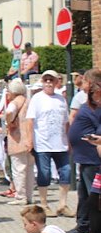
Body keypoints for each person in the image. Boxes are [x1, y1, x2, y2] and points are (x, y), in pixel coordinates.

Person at [26, 70, 73, 218]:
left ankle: (62, 204)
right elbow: (30, 121)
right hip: (43, 143)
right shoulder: (37, 99)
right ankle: (44, 204)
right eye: (46, 80)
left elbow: (66, 122)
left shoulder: (61, 99)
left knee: (66, 172)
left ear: (56, 82)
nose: (48, 82)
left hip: (60, 143)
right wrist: (30, 140)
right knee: (44, 173)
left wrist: (69, 140)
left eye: (51, 80)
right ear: (42, 81)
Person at [66, 68, 101, 233]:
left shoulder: (97, 105)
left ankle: (94, 229)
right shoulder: (87, 102)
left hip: (92, 157)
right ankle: (83, 224)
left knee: (94, 195)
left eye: (85, 81)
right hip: (84, 157)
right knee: (84, 193)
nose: (82, 84)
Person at [4, 79, 34, 206]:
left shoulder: (15, 102)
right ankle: (29, 195)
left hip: (18, 139)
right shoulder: (29, 101)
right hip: (30, 138)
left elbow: (9, 112)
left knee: (19, 169)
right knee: (29, 169)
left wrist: (9, 122)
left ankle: (21, 196)